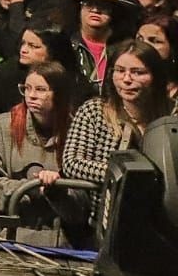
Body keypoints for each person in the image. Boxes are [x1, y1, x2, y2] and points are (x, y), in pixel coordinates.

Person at [62, 40, 174, 234]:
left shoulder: (172, 115)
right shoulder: (94, 111)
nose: (127, 79)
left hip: (160, 225)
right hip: (101, 223)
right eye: (120, 70)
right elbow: (72, 163)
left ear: (155, 76)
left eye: (138, 72)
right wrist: (125, 175)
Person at [0, 61, 81, 247]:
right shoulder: (3, 126)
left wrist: (56, 192)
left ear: (60, 93)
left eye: (41, 90)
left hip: (64, 239)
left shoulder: (77, 131)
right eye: (27, 88)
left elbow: (85, 197)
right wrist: (31, 188)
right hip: (10, 233)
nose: (31, 96)